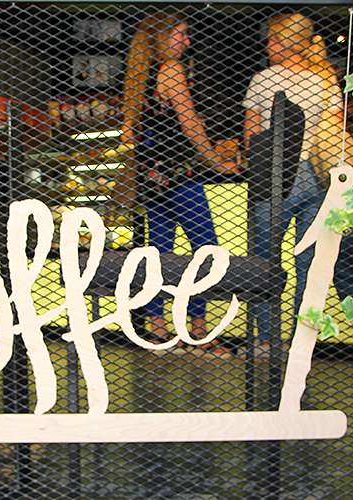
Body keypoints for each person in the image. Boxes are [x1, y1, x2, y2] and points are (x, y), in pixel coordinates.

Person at [121, 14, 234, 355]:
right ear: (163, 36)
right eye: (181, 34)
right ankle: (197, 332)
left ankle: (158, 330)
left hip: (152, 178)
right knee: (206, 251)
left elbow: (133, 132)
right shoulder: (171, 70)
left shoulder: (139, 76)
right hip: (180, 174)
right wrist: (216, 161)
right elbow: (190, 124)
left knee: (159, 253)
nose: (187, 41)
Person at [242, 12, 351, 359]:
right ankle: (301, 342)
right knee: (309, 263)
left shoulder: (264, 79)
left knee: (264, 261)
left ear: (279, 41)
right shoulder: (324, 81)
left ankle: (266, 341)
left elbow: (252, 135)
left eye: (270, 39)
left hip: (272, 175)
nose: (266, 45)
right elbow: (336, 130)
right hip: (314, 177)